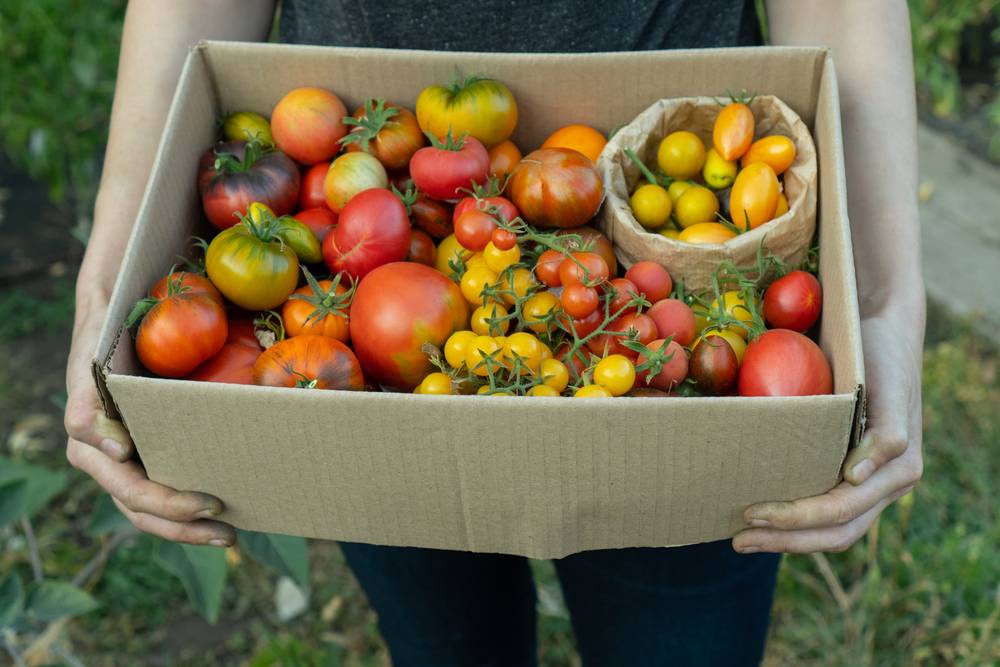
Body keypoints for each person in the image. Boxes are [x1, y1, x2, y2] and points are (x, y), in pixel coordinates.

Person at [64, 1, 925, 664]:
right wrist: (104, 290)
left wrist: (884, 303)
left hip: (655, 347)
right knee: (441, 638)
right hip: (371, 371)